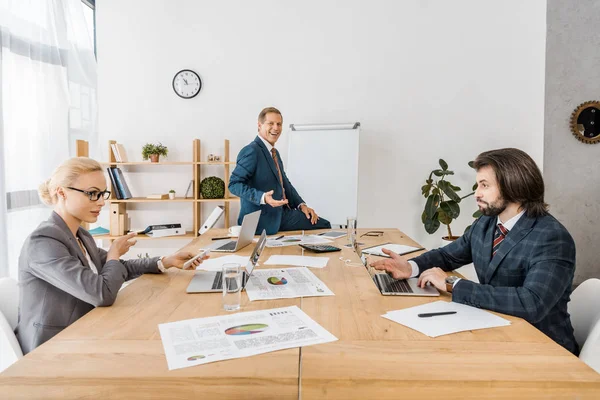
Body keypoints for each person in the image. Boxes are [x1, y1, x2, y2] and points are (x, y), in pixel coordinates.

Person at [371, 148, 578, 354]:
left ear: (513, 185)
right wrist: (411, 266)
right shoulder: (487, 222)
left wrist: (453, 284)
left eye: (484, 185)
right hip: (498, 331)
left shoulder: (551, 237)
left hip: (543, 349)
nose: (477, 193)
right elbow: (448, 255)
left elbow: (531, 303)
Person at [15, 157, 208, 354]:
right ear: (62, 192)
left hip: (85, 331)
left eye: (102, 194)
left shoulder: (81, 235)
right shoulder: (44, 241)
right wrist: (114, 252)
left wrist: (165, 262)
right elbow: (101, 294)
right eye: (92, 194)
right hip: (51, 349)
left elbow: (116, 268)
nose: (101, 202)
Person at [229, 107, 331, 235]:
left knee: (322, 224)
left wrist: (301, 205)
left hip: (281, 213)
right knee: (324, 226)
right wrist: (262, 198)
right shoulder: (252, 151)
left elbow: (285, 184)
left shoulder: (274, 153)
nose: (276, 128)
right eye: (270, 123)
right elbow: (234, 184)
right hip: (263, 219)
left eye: (279, 124)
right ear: (259, 125)